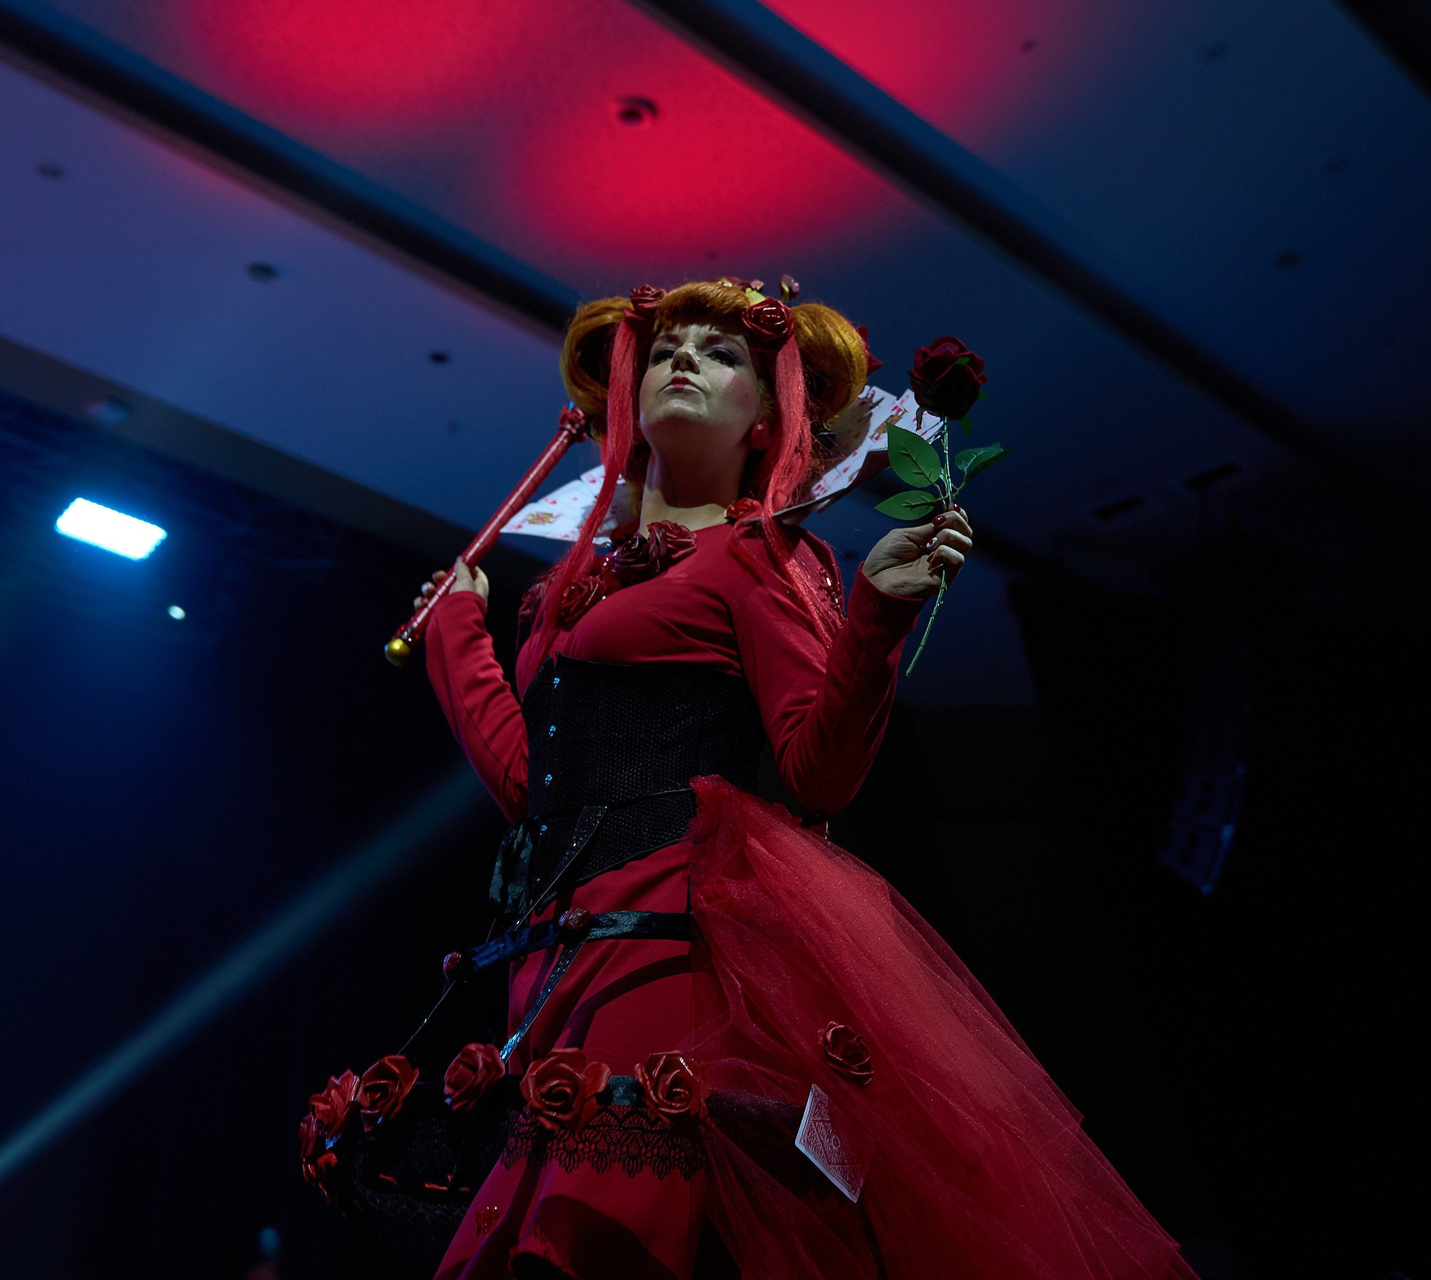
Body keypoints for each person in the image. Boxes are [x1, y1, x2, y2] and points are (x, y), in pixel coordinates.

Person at [413, 280, 1193, 1280]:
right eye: (666, 349)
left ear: (767, 419)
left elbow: (817, 775)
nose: (683, 360)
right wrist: (457, 630)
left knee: (608, 1229)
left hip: (674, 940)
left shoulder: (757, 557)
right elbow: (533, 790)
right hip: (554, 956)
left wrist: (875, 616)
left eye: (721, 353)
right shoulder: (571, 587)